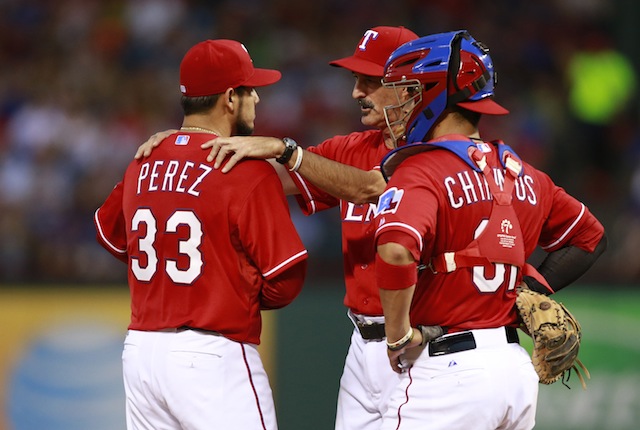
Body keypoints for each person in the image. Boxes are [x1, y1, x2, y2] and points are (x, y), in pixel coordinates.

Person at [135, 26, 420, 430]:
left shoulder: (439, 153)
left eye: (369, 82)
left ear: (410, 87)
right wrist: (185, 146)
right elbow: (253, 179)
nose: (357, 92)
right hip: (363, 347)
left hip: (421, 343)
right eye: (356, 80)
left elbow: (372, 187)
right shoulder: (352, 148)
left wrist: (286, 150)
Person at [372, 30, 607, 429]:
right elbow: (591, 238)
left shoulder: (422, 170)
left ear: (433, 95)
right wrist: (526, 292)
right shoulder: (529, 176)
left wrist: (397, 337)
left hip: (446, 371)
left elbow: (395, 250)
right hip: (513, 372)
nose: (395, 102)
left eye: (407, 90)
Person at [94, 39, 308, 430]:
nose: (257, 99)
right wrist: (228, 287)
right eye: (250, 90)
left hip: (142, 350)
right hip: (212, 354)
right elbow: (286, 279)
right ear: (229, 98)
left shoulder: (145, 157)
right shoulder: (245, 168)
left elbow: (110, 234)